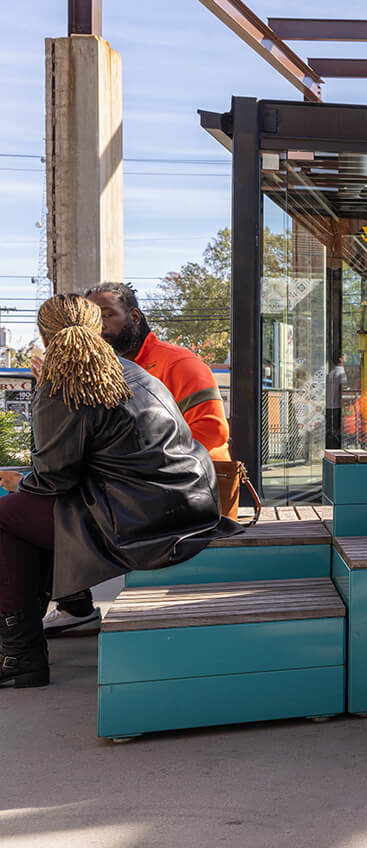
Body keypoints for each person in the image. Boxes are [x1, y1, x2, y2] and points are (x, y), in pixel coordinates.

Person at [0, 294, 221, 688]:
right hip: (191, 506)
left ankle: (20, 654)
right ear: (97, 329)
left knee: (8, 516)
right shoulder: (133, 371)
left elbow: (54, 478)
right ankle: (67, 607)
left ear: (44, 337)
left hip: (141, 522)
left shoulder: (63, 386)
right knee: (31, 513)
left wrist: (20, 481)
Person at [43, 281, 233, 637]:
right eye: (92, 317)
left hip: (184, 492)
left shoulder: (178, 362)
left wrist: (153, 473)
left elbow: (212, 433)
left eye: (107, 315)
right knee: (55, 495)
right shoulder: (102, 370)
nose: (98, 326)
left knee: (49, 505)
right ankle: (73, 605)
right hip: (132, 490)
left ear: (134, 317)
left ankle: (66, 611)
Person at [326, 353, 347, 450]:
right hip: (338, 405)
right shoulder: (342, 372)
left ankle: (331, 449)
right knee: (338, 430)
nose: (346, 357)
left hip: (329, 405)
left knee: (331, 430)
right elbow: (342, 389)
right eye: (344, 355)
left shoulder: (331, 373)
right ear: (340, 359)